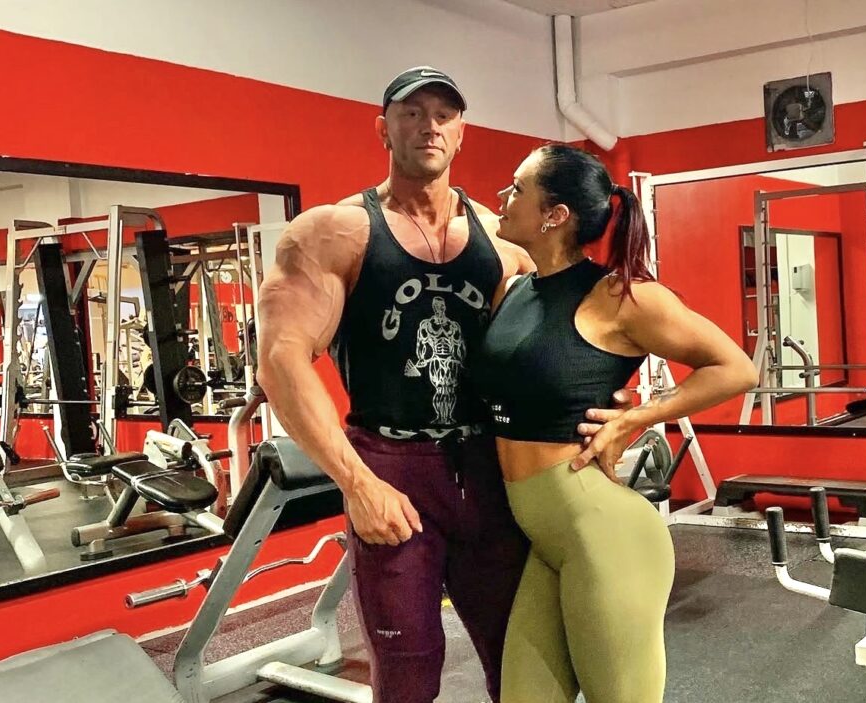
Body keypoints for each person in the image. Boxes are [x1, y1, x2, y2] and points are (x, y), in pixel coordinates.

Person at [256, 68, 629, 703]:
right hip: (392, 467)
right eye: (411, 113)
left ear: (461, 133)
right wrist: (358, 484)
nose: (428, 126)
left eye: (443, 115)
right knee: (407, 668)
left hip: (492, 465)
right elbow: (281, 362)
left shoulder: (505, 241)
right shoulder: (334, 233)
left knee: (524, 660)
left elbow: (563, 348)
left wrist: (614, 414)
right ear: (383, 129)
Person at [478, 143, 759, 703]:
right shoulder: (514, 290)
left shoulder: (620, 296)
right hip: (546, 537)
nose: (503, 197)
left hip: (604, 532)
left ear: (555, 215)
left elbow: (735, 368)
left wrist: (637, 416)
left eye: (517, 189)